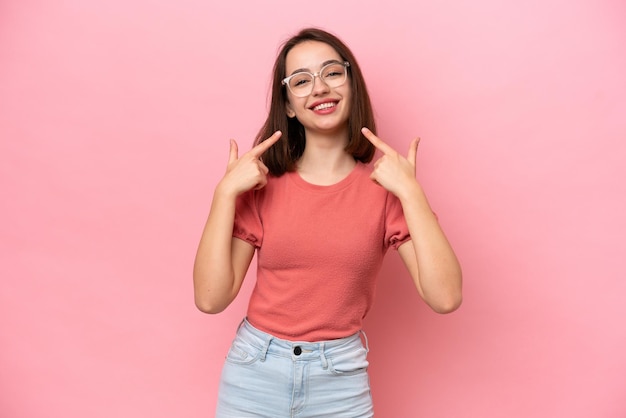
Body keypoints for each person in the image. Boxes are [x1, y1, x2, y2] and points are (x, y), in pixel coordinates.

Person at [193, 27, 462, 418]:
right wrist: (224, 196)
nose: (319, 88)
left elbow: (446, 297)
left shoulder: (386, 190)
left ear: (351, 86)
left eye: (332, 73)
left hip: (339, 380)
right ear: (288, 105)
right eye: (301, 80)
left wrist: (411, 193)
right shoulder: (262, 185)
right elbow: (210, 298)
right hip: (254, 373)